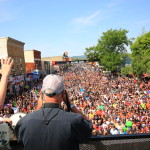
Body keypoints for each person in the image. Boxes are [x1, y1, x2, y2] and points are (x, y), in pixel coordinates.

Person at [15, 74, 92, 150]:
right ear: (62, 94)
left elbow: (21, 141)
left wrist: (38, 107)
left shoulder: (24, 121)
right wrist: (70, 105)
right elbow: (88, 128)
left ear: (42, 93)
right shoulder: (73, 120)